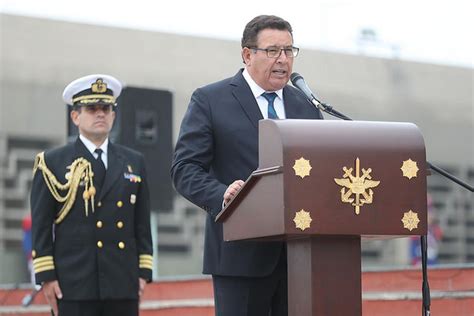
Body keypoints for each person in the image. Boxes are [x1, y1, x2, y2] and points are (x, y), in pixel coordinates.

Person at [171, 15, 323, 316]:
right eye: (272, 50)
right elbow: (185, 168)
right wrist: (222, 194)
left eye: (289, 51)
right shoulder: (210, 99)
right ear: (247, 54)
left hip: (299, 258)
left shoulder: (306, 106)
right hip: (240, 255)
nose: (283, 59)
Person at [30, 74, 153, 316]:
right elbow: (41, 225)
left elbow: (141, 223)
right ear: (75, 116)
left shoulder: (133, 161)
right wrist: (46, 276)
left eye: (106, 108)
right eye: (92, 108)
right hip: (74, 283)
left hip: (122, 281)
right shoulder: (52, 162)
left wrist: (143, 273)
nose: (100, 114)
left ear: (114, 115)